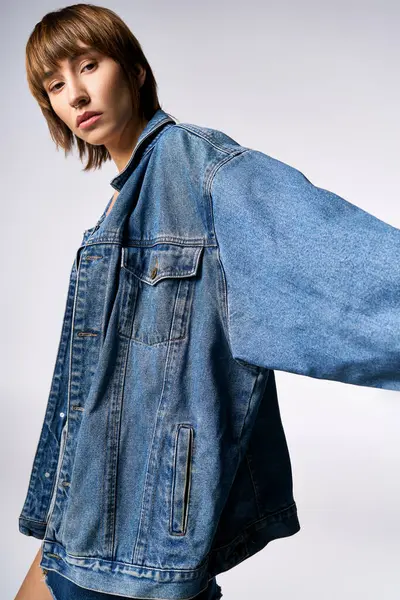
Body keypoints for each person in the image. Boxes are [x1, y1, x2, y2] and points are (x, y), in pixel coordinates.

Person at [16, 3, 400, 600]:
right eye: (56, 86)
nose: (76, 95)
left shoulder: (209, 174)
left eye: (89, 65)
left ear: (136, 71)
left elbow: (353, 272)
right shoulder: (124, 202)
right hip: (85, 517)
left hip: (143, 540)